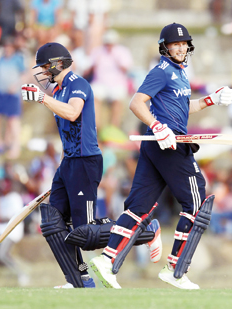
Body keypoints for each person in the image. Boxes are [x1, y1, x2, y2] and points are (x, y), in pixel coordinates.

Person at [89, 23, 232, 290]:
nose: (180, 48)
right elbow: (136, 102)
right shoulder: (162, 71)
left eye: (183, 44)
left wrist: (211, 100)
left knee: (138, 205)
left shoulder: (180, 73)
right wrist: (157, 126)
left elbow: (181, 107)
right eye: (175, 44)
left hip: (159, 144)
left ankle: (107, 260)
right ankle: (176, 268)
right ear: (164, 47)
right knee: (196, 201)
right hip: (168, 144)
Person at [21, 43, 161, 289]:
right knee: (54, 225)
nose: (42, 71)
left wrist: (42, 98)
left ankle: (145, 229)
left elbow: (74, 113)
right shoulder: (59, 91)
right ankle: (80, 278)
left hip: (85, 162)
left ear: (57, 64)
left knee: (84, 233)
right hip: (69, 162)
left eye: (44, 66)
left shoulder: (78, 84)